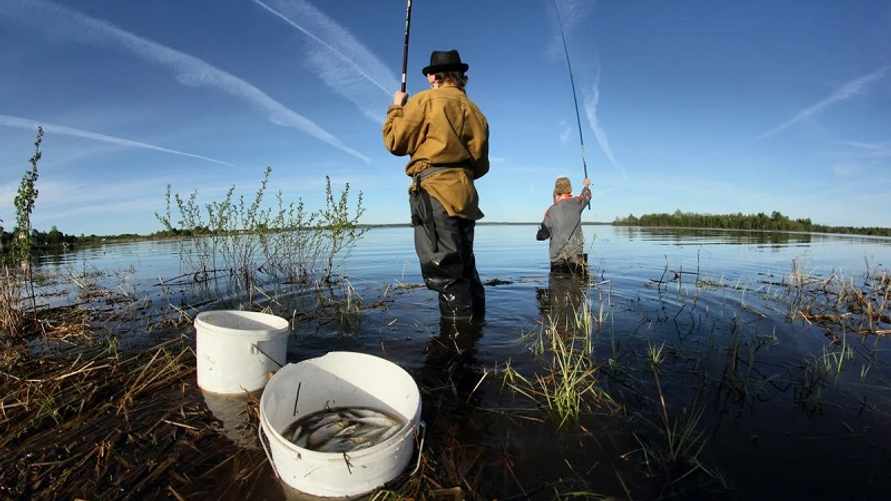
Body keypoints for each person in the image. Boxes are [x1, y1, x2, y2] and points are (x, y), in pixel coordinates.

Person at [383, 50, 489, 320]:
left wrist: (396, 107)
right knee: (466, 269)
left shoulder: (424, 101)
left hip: (435, 192)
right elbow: (481, 165)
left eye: (430, 73)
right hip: (465, 194)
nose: (429, 77)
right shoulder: (475, 111)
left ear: (434, 76)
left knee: (445, 273)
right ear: (460, 76)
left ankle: (457, 345)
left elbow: (395, 142)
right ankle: (477, 337)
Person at [536, 176, 592, 274]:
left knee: (558, 287)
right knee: (578, 287)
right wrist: (586, 185)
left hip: (558, 262)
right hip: (577, 259)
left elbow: (542, 236)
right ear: (569, 189)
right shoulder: (577, 202)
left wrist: (540, 232)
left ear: (556, 191)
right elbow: (587, 196)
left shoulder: (551, 211)